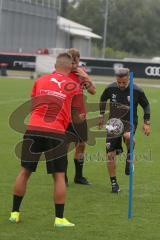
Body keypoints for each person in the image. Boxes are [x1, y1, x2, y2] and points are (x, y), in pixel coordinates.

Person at [9, 53, 82, 227]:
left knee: (24, 172)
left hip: (33, 129)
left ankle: (14, 214)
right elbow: (77, 115)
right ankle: (59, 219)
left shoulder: (40, 80)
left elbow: (33, 104)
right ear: (70, 67)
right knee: (58, 176)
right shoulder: (74, 85)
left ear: (56, 65)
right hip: (55, 133)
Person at [98, 68, 151, 193]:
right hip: (113, 123)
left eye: (124, 83)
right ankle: (114, 183)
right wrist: (101, 115)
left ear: (128, 79)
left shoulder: (137, 90)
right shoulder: (110, 88)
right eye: (119, 82)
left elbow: (146, 105)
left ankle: (129, 156)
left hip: (129, 122)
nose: (121, 85)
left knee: (128, 137)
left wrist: (146, 122)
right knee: (110, 154)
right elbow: (102, 99)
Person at [65, 48, 96, 185]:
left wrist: (86, 77)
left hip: (81, 117)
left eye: (76, 62)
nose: (74, 65)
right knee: (64, 147)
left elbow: (93, 91)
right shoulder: (61, 74)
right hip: (65, 117)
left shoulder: (80, 74)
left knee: (82, 145)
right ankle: (62, 177)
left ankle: (78, 176)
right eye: (72, 62)